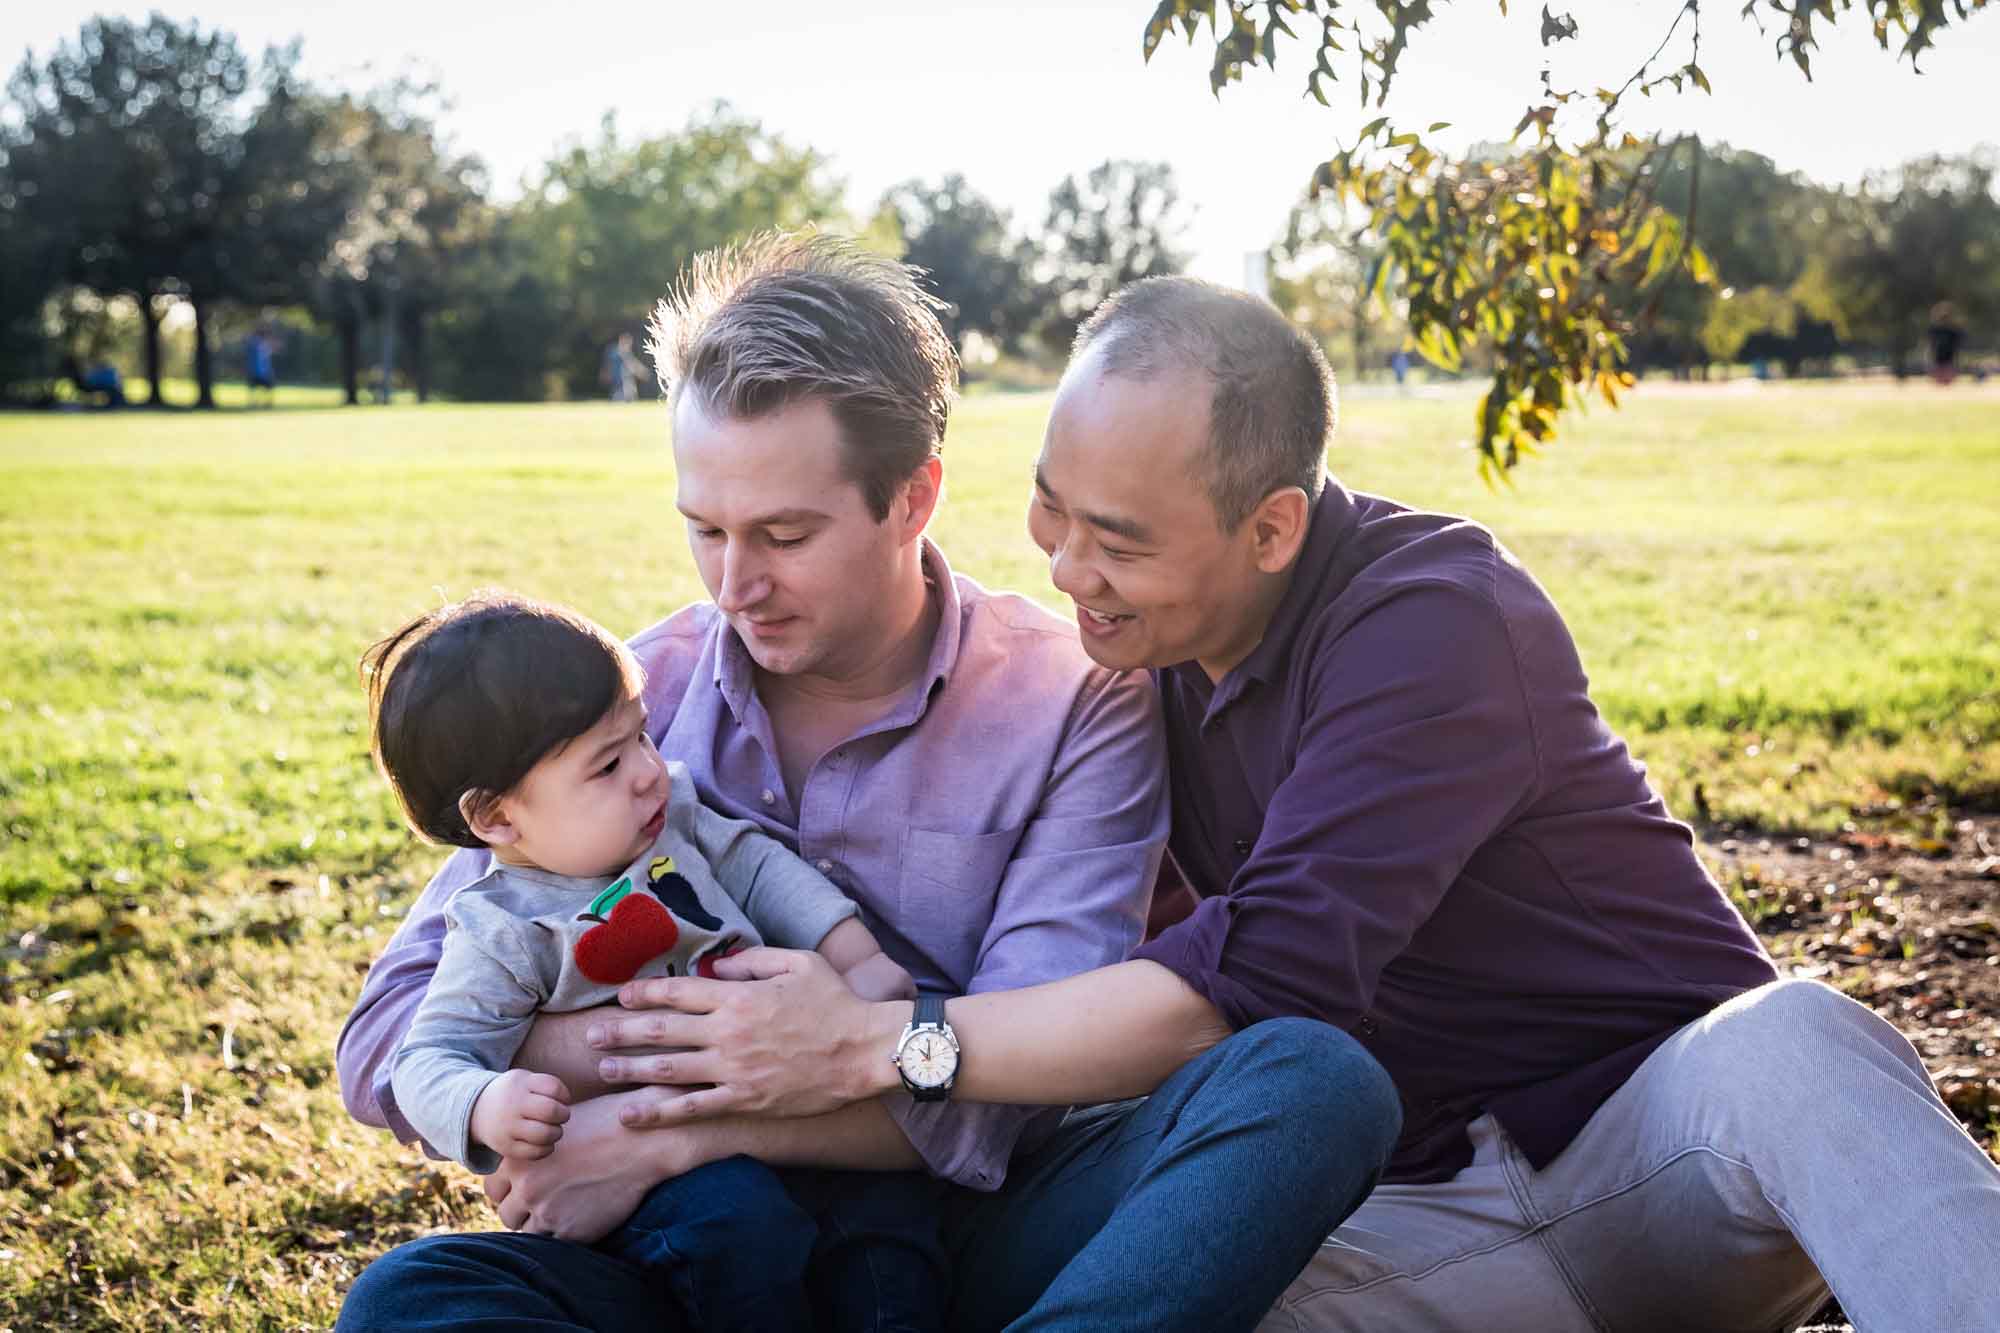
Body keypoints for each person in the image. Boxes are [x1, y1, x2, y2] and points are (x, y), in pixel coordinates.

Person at [588, 276, 2000, 1332]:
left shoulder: (1434, 616)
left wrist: (882, 1047)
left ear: (1272, 526)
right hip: (1403, 1225)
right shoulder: (1137, 677)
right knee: (1172, 1260)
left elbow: (1256, 978)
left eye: (1120, 538)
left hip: (1647, 1164)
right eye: (1050, 511)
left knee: (1800, 1042)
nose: (1069, 570)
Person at [334, 234, 1399, 1333]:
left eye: (785, 534)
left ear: (912, 496)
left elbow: (1006, 1097)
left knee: (1308, 1082)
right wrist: (634, 1058)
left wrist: (682, 1122)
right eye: (704, 529)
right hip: (682, 1244)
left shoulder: (1075, 701)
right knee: (411, 1300)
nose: (735, 584)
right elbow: (386, 1039)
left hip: (971, 1233)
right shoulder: (616, 704)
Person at [360, 590, 937, 1331]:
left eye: (643, 737)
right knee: (736, 1225)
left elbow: (759, 868)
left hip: (795, 1112)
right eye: (607, 764)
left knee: (885, 1224)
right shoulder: (502, 932)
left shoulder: (675, 822)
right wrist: (484, 1102)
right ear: (498, 816)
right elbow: (425, 1059)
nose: (648, 772)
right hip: (663, 1184)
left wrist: (853, 958)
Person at [603, 332, 640, 402]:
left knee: (629, 395)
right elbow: (608, 365)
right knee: (620, 397)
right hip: (618, 380)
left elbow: (633, 365)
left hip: (626, 380)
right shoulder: (616, 352)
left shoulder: (626, 352)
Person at [246, 325, 278, 406]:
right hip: (259, 372)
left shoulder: (256, 343)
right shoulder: (258, 344)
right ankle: (258, 402)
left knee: (259, 387)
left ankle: (261, 402)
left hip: (260, 371)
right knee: (258, 387)